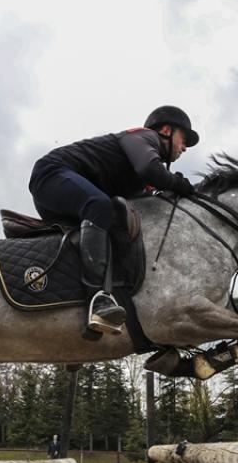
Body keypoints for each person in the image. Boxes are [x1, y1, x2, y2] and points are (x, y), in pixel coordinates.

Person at [29, 105, 200, 335]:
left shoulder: (139, 177)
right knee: (100, 206)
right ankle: (97, 300)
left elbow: (146, 200)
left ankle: (76, 305)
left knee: (114, 225)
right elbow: (150, 168)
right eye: (184, 138)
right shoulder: (144, 137)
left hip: (62, 193)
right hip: (51, 174)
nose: (185, 147)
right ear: (166, 130)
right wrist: (178, 184)